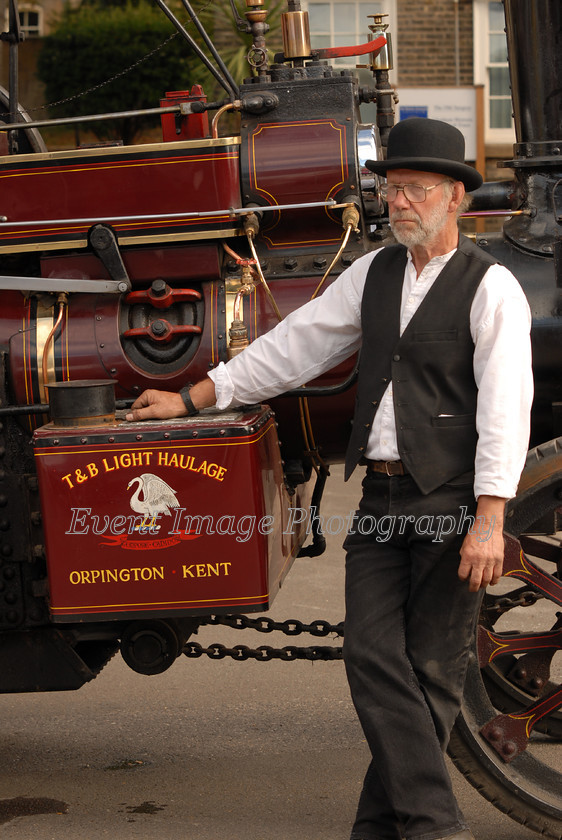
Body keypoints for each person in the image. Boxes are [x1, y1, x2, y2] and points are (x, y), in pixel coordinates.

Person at [126, 118, 533, 840]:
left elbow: (507, 406)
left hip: (450, 501)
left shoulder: (491, 287)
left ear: (455, 198)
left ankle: (387, 829)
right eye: (391, 188)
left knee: (432, 675)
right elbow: (292, 347)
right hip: (378, 500)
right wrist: (193, 396)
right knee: (373, 657)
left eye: (414, 189)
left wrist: (492, 517)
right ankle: (434, 826)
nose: (399, 202)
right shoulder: (371, 273)